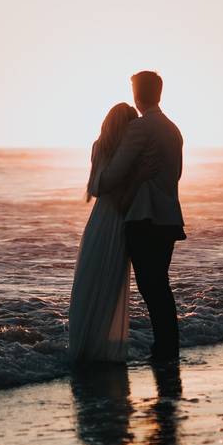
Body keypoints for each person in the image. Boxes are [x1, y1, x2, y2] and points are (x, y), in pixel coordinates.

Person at [97, 70, 185, 361]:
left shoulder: (141, 128)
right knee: (159, 285)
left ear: (137, 95)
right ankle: (167, 347)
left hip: (144, 219)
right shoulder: (173, 129)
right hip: (169, 217)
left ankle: (164, 350)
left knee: (152, 287)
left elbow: (112, 176)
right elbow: (177, 175)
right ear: (159, 93)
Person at [67, 103, 140, 362]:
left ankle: (84, 344)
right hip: (120, 220)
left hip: (100, 220)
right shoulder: (128, 152)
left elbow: (94, 188)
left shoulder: (100, 147)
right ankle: (100, 347)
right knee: (110, 284)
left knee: (90, 281)